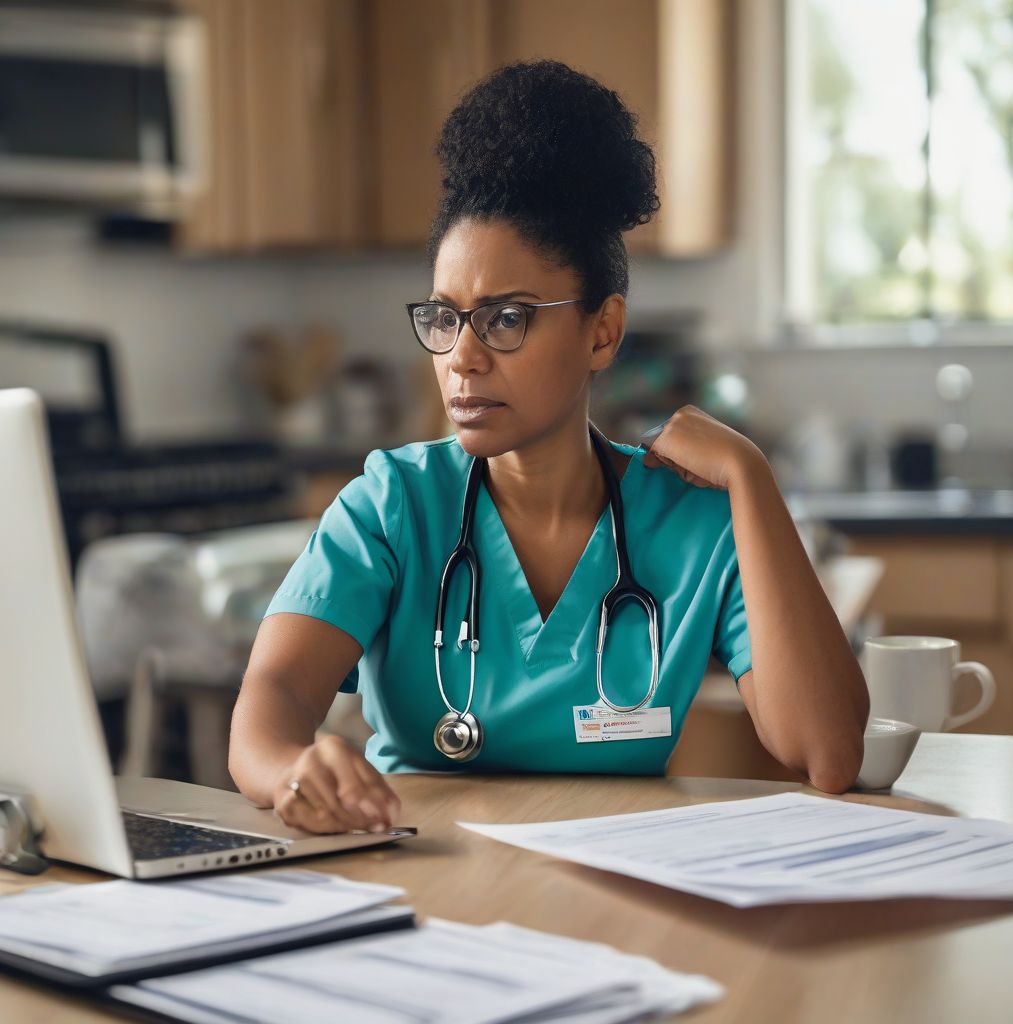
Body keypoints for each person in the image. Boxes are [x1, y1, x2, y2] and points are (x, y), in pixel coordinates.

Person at [229, 60, 869, 835]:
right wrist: (293, 767)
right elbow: (272, 702)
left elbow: (828, 752)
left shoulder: (695, 524)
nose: (462, 357)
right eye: (444, 317)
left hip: (622, 895)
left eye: (505, 319)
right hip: (429, 887)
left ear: (602, 331)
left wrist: (750, 476)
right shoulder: (392, 506)